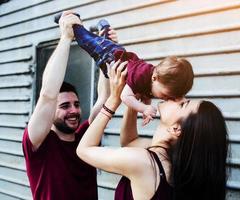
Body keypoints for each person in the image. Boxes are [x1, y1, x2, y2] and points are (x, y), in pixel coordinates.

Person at [76, 61, 229, 200]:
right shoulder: (171, 162)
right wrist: (134, 102)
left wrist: (114, 99)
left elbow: (84, 150)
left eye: (184, 104)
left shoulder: (144, 162)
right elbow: (129, 142)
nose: (179, 97)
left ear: (176, 129)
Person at [22, 10, 119, 200]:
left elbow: (105, 97)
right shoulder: (38, 143)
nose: (74, 110)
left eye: (76, 104)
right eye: (65, 106)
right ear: (50, 112)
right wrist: (66, 37)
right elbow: (48, 94)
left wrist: (108, 50)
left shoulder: (85, 137)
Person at [66, 14, 194, 125]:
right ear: (155, 78)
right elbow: (125, 96)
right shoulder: (141, 75)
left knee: (103, 98)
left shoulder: (155, 83)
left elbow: (145, 95)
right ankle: (74, 23)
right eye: (165, 95)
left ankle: (104, 29)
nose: (164, 98)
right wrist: (143, 108)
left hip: (116, 64)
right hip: (109, 55)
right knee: (87, 41)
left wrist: (146, 108)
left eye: (168, 98)